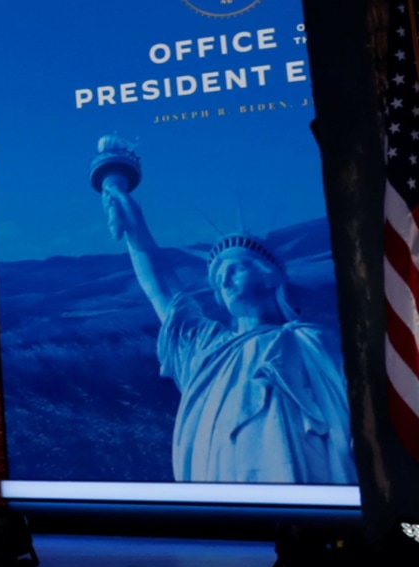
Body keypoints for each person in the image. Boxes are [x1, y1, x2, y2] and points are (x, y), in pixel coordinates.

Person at [100, 181, 354, 483]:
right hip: (221, 484)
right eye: (219, 277)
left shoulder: (311, 342)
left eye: (236, 269)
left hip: (300, 485)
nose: (225, 280)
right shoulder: (207, 348)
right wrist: (135, 229)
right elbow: (162, 292)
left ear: (269, 276)